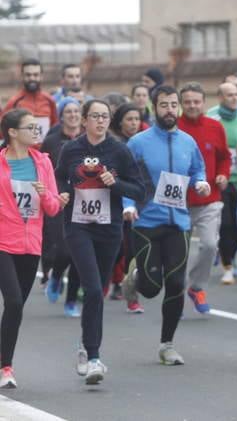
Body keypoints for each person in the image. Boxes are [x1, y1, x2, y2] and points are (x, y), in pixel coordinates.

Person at [56, 99, 146, 385]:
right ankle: (93, 356)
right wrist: (62, 194)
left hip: (109, 229)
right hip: (78, 227)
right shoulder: (71, 150)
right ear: (84, 120)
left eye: (105, 116)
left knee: (100, 290)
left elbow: (139, 190)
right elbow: (58, 179)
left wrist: (115, 184)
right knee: (93, 288)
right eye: (94, 116)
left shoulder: (119, 150)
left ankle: (85, 345)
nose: (100, 121)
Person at [123, 85, 210, 365]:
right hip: (146, 223)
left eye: (174, 105)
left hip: (179, 223)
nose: (170, 110)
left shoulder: (188, 142)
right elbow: (127, 179)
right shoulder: (138, 143)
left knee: (175, 283)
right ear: (154, 107)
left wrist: (200, 181)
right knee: (150, 288)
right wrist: (128, 204)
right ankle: (135, 278)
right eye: (164, 105)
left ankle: (167, 344)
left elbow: (198, 168)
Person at [0, 109, 64, 389]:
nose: (36, 132)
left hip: (30, 245)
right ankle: (6, 368)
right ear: (13, 132)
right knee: (13, 301)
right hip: (2, 242)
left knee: (16, 309)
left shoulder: (43, 163)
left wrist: (47, 195)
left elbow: (51, 208)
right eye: (30, 128)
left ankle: (3, 359)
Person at [177, 83, 231, 310]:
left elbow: (225, 157)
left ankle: (196, 287)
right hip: (178, 201)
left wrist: (222, 174)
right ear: (181, 104)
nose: (192, 105)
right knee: (179, 252)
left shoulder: (214, 126)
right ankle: (175, 296)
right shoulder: (174, 128)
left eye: (196, 101)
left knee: (209, 245)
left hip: (210, 199)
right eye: (187, 101)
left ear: (203, 103)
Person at [207, 82, 237, 288]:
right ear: (220, 97)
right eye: (229, 95)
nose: (234, 98)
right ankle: (227, 265)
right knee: (225, 224)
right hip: (220, 181)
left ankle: (230, 255)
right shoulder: (212, 119)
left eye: (236, 95)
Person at [40, 97, 84, 317]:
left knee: (80, 252)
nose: (73, 115)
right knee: (64, 249)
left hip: (85, 201)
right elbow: (44, 169)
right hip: (59, 199)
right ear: (61, 115)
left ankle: (70, 302)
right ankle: (56, 276)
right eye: (69, 111)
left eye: (77, 111)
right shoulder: (52, 140)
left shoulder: (88, 139)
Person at [108, 103, 146, 313]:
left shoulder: (144, 143)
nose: (133, 123)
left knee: (133, 250)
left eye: (136, 119)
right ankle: (112, 282)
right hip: (114, 202)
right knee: (115, 249)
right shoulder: (113, 144)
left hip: (137, 202)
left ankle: (131, 295)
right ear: (120, 122)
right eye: (129, 119)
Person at [2, 59, 57, 140]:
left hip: (46, 150)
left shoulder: (49, 100)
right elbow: (3, 130)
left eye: (35, 75)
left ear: (41, 76)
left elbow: (55, 127)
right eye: (28, 75)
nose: (32, 78)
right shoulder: (14, 102)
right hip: (23, 151)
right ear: (22, 76)